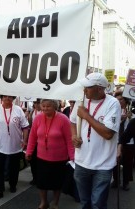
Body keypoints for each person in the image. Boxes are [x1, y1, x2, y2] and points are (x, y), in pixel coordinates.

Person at [70, 73, 121, 209]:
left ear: (99, 88)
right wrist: (74, 136)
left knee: (97, 204)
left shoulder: (113, 103)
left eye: (88, 87)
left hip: (103, 165)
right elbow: (73, 122)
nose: (84, 90)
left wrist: (86, 115)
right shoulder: (81, 100)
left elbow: (108, 133)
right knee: (84, 202)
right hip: (81, 162)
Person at [26, 99, 74, 209]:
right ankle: (44, 202)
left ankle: (55, 203)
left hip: (59, 158)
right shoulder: (38, 118)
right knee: (42, 182)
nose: (45, 108)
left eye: (48, 106)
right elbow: (33, 137)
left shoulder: (63, 119)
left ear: (55, 107)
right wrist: (29, 151)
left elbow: (69, 140)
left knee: (57, 183)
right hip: (41, 157)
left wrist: (72, 157)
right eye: (43, 106)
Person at [0, 95, 29, 201]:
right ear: (1, 98)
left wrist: (25, 140)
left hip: (15, 145)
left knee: (14, 168)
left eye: (9, 97)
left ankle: (13, 185)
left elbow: (25, 127)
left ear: (13, 98)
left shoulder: (18, 110)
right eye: (5, 97)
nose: (7, 99)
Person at [111, 91, 134, 191]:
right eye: (117, 99)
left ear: (125, 100)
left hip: (129, 142)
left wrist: (130, 118)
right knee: (115, 162)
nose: (119, 101)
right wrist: (120, 120)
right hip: (115, 141)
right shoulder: (113, 112)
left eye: (121, 99)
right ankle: (116, 181)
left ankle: (126, 182)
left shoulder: (131, 113)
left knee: (127, 163)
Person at [28, 99, 41, 186]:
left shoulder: (43, 112)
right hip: (33, 138)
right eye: (35, 103)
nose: (36, 104)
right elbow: (29, 125)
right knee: (33, 160)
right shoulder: (32, 112)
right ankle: (35, 177)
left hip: (41, 140)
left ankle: (40, 177)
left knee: (40, 161)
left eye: (37, 103)